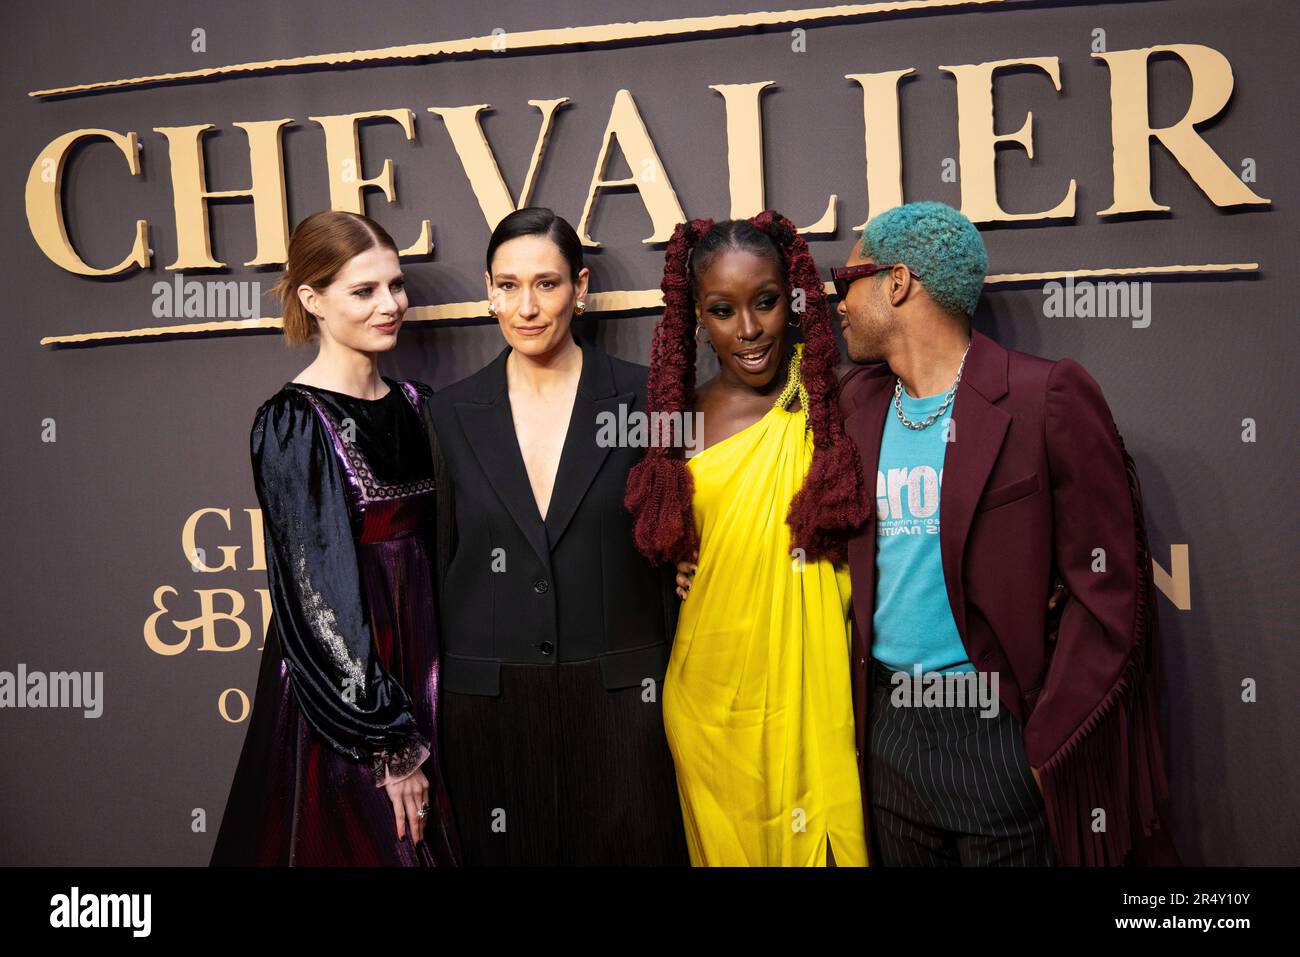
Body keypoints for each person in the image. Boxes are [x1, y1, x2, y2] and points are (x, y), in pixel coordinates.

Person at [834, 200, 1176, 866]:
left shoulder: (1043, 397)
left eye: (847, 279)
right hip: (888, 739)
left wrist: (1048, 744)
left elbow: (1108, 592)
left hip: (1000, 734)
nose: (835, 300)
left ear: (897, 283)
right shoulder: (857, 403)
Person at [429, 207, 688, 865]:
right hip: (490, 714)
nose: (527, 307)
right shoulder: (448, 413)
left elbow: (672, 537)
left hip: (624, 708)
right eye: (508, 285)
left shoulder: (643, 401)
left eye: (546, 284)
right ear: (488, 290)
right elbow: (433, 561)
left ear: (581, 286)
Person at [210, 210, 460, 866]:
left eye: (396, 285)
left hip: (428, 679)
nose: (391, 304)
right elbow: (317, 600)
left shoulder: (419, 405)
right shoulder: (295, 422)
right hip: (348, 704)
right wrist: (389, 744)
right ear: (312, 300)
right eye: (365, 290)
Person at [625, 211, 871, 866]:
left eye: (764, 302)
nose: (749, 329)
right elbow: (674, 545)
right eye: (722, 309)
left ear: (791, 300)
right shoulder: (679, 422)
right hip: (709, 704)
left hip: (812, 692)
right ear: (696, 318)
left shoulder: (836, 401)